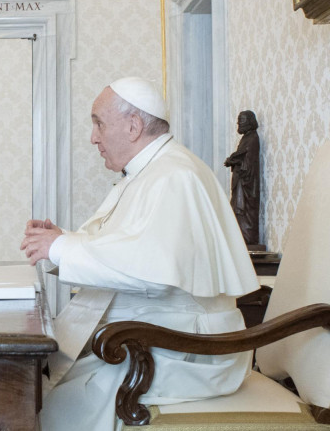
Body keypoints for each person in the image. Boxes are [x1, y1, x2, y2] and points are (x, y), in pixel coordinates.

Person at [21, 77, 259, 431]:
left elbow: (149, 268)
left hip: (187, 348)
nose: (93, 137)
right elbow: (130, 247)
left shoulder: (174, 175)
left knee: (50, 402)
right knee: (36, 386)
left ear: (133, 126)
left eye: (98, 123)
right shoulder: (151, 172)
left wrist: (61, 247)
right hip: (155, 333)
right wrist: (61, 241)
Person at [224, 110, 261, 248]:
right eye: (238, 120)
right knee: (237, 208)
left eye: (242, 120)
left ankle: (248, 238)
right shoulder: (245, 138)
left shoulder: (252, 139)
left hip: (246, 183)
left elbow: (248, 161)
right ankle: (240, 237)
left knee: (244, 210)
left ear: (250, 122)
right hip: (240, 181)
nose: (239, 123)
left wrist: (234, 160)